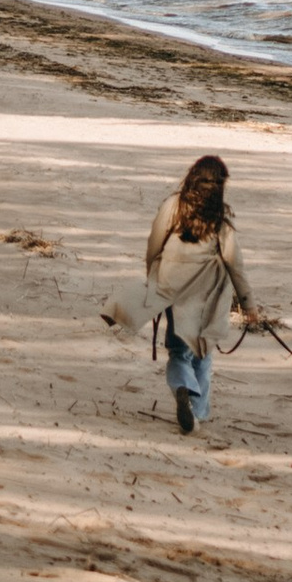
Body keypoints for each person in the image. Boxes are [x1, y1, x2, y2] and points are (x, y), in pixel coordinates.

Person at [105, 153, 270, 436]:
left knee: (179, 350)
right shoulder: (221, 219)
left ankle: (182, 386)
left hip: (172, 284)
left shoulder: (173, 205)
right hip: (207, 291)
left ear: (192, 177)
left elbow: (154, 244)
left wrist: (153, 279)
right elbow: (235, 264)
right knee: (202, 351)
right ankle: (198, 411)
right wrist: (249, 305)